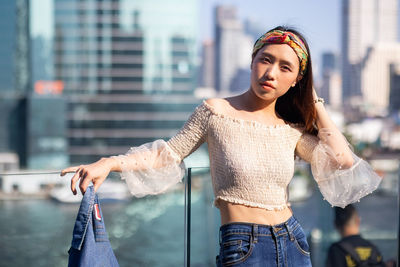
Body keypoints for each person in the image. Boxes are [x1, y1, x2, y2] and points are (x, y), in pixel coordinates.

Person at [61, 26, 382, 266]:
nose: (270, 73)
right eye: (265, 60)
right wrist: (110, 162)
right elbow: (166, 154)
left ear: (297, 79)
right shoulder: (215, 112)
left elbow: (341, 160)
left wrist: (316, 102)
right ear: (253, 60)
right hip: (243, 245)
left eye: (285, 67)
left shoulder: (292, 130)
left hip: (293, 241)